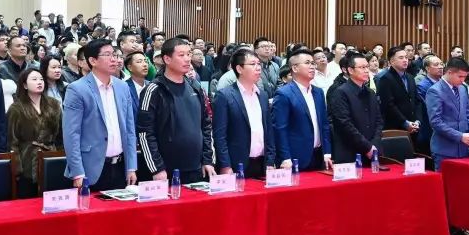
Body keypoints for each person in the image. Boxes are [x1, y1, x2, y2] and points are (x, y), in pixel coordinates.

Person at [62, 39, 138, 190]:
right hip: (90, 169)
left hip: (120, 166)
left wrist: (131, 166)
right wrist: (77, 172)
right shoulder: (77, 89)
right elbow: (71, 134)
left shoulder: (122, 87)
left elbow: (129, 129)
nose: (114, 59)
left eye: (115, 55)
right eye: (107, 55)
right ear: (93, 61)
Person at [137, 38, 215, 183]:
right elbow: (145, 132)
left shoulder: (196, 87)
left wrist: (208, 160)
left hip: (197, 167)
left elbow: (206, 126)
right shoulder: (154, 90)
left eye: (189, 54)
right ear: (167, 59)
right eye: (181, 55)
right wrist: (156, 168)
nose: (187, 59)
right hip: (166, 170)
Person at [213, 48, 275, 178]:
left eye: (259, 64)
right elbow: (220, 136)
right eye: (252, 64)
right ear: (239, 69)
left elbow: (269, 131)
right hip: (236, 164)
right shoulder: (225, 95)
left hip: (262, 164)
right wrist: (225, 165)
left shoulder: (262, 95)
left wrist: (270, 161)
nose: (258, 68)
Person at [272, 48, 332, 171]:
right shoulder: (284, 93)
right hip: (295, 158)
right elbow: (279, 129)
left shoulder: (318, 92)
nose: (312, 66)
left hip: (319, 156)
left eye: (313, 63)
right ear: (295, 68)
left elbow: (324, 125)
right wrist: (285, 157)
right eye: (307, 63)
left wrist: (327, 152)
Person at [8, 68, 63, 198]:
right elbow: (12, 141)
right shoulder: (16, 108)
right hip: (27, 159)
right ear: (25, 85)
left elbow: (60, 136)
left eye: (41, 79)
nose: (39, 82)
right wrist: (17, 168)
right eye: (34, 79)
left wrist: (60, 157)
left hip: (50, 156)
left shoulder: (54, 104)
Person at [328, 52, 383, 165]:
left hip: (372, 152)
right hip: (350, 152)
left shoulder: (370, 93)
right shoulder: (340, 92)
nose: (366, 70)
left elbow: (379, 120)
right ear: (350, 70)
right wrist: (367, 147)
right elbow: (344, 124)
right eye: (362, 67)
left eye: (367, 67)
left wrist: (374, 144)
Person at [426, 57, 469, 170]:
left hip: (464, 148)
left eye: (465, 77)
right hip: (445, 149)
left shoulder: (462, 89)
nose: (463, 80)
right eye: (460, 76)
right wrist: (460, 136)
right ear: (449, 72)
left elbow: (468, 115)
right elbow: (436, 122)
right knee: (445, 181)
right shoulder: (435, 91)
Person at [377, 46, 423, 137]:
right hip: (395, 127)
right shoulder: (385, 79)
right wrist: (405, 122)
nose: (405, 60)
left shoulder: (410, 77)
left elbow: (417, 101)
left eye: (406, 57)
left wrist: (418, 120)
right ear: (391, 61)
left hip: (413, 126)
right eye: (401, 58)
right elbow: (389, 105)